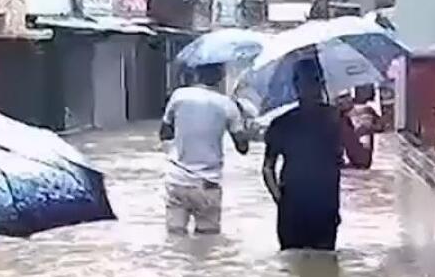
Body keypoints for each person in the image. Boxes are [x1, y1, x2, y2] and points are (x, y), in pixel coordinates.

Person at [261, 55, 372, 251]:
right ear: (322, 84)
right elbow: (361, 160)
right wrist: (366, 133)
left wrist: (281, 200)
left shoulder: (281, 123)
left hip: (293, 210)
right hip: (324, 208)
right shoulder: (336, 119)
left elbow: (268, 168)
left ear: (295, 86)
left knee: (292, 268)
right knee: (325, 266)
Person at [159, 63, 250, 236]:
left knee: (175, 239)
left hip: (177, 180)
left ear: (196, 74)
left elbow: (164, 133)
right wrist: (240, 120)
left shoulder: (179, 96)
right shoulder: (227, 105)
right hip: (207, 184)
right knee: (208, 243)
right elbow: (243, 147)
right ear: (221, 76)